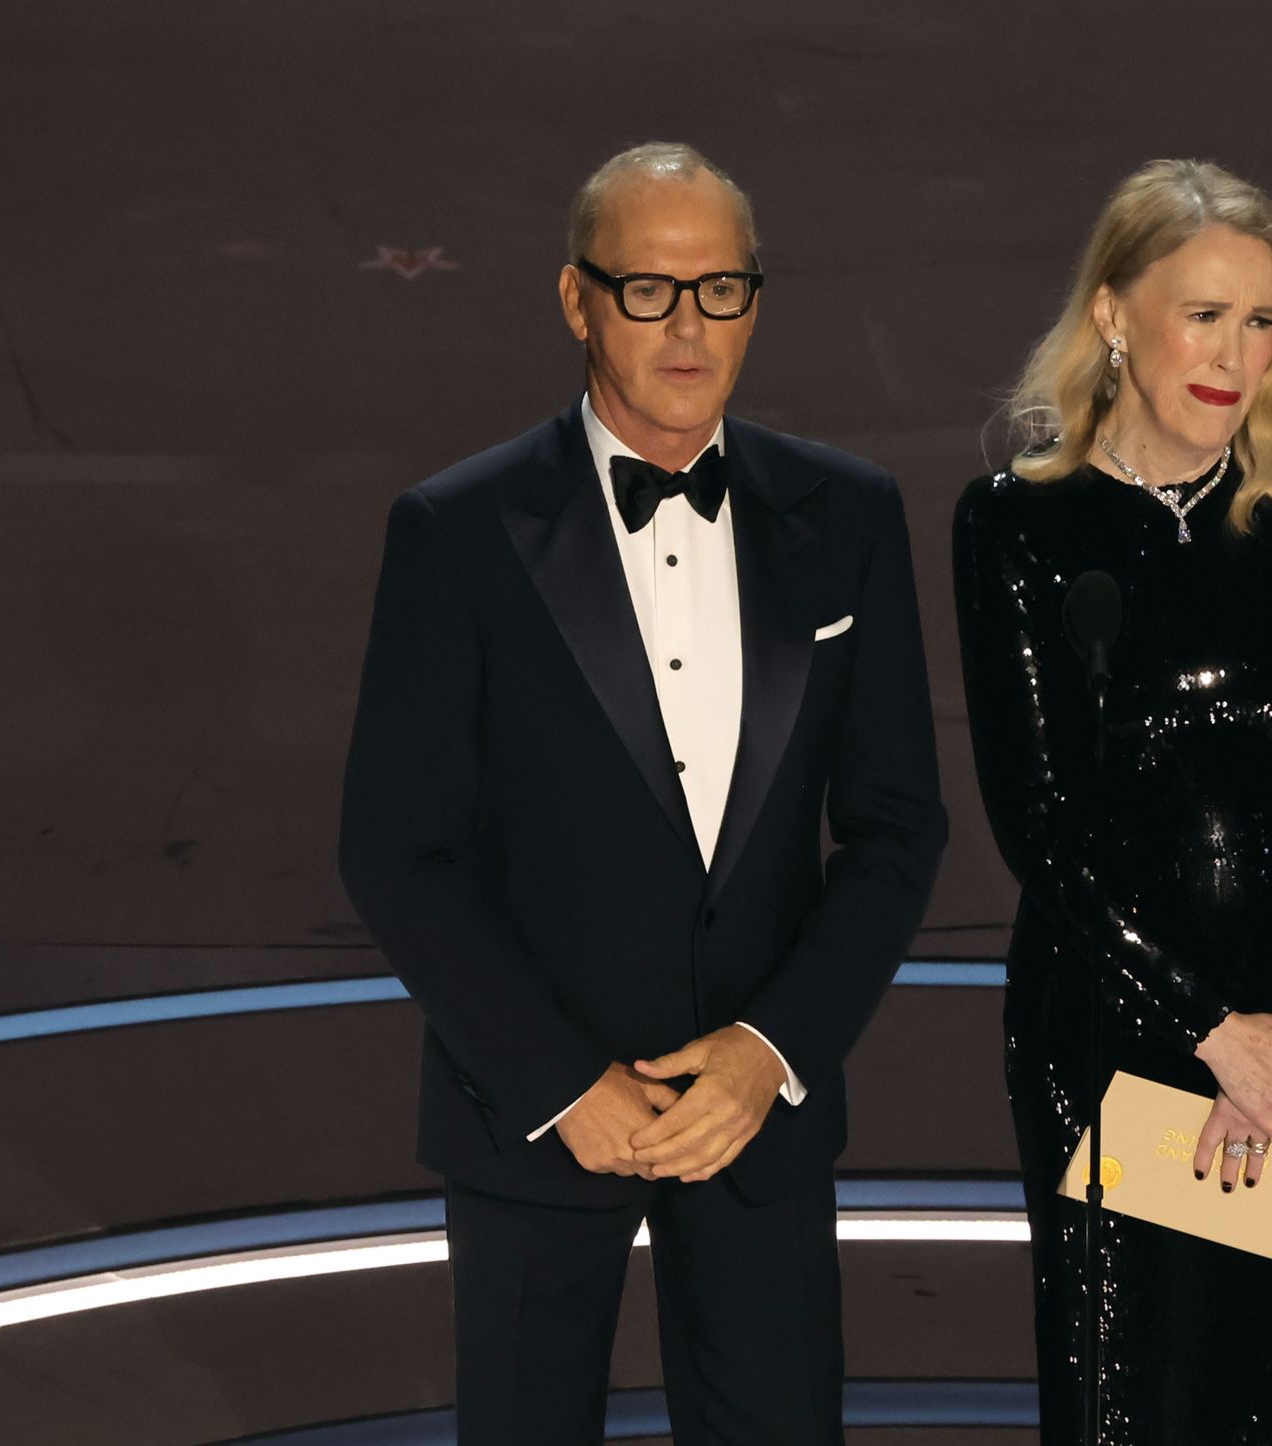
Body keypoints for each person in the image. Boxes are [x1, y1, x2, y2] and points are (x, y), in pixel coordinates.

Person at [338, 141, 947, 1445]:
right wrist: (567, 1081)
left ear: (756, 301)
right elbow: (398, 849)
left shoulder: (849, 514)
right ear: (577, 300)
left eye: (719, 289)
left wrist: (770, 1051)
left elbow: (898, 826)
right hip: (535, 1119)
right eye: (649, 291)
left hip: (759, 1122)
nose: (689, 327)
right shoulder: (457, 531)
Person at [952, 158, 1272, 1443]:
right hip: (1115, 1033)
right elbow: (1036, 818)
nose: (1236, 352)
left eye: (1260, 319)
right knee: (1139, 1394)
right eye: (1202, 313)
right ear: (1113, 314)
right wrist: (1213, 1033)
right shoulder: (1013, 529)